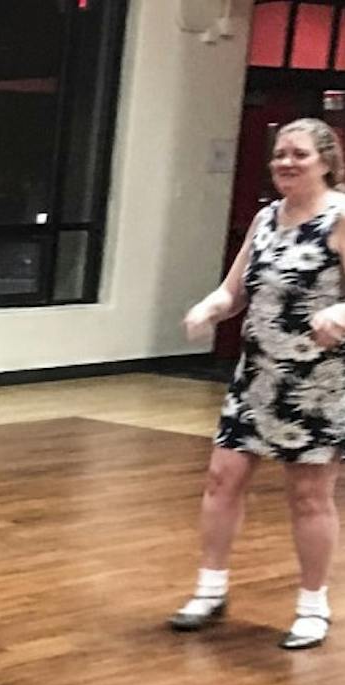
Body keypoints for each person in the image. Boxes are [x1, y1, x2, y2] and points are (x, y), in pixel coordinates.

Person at [173, 117, 345, 651]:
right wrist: (210, 308)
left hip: (317, 383)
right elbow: (235, 290)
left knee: (308, 496)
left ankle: (313, 605)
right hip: (257, 376)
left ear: (326, 162)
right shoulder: (266, 218)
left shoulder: (341, 218)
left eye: (298, 155)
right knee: (221, 479)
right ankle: (210, 588)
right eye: (279, 155)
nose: (285, 164)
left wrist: (340, 311)